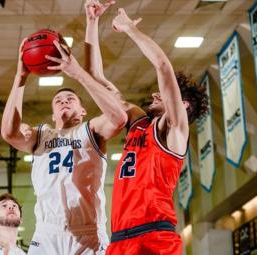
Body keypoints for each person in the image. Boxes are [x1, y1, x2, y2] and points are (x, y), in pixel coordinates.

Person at [85, 2, 209, 254]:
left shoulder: (174, 132)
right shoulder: (139, 123)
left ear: (181, 104)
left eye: (162, 93)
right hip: (119, 239)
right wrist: (92, 22)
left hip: (155, 237)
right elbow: (96, 79)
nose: (155, 92)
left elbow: (163, 67)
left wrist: (130, 29)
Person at [1, 37, 127, 254]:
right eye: (58, 101)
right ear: (53, 114)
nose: (64, 101)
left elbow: (119, 118)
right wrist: (20, 78)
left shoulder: (92, 129)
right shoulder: (40, 135)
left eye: (70, 99)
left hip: (88, 235)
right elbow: (8, 133)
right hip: (47, 233)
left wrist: (78, 73)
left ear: (83, 111)